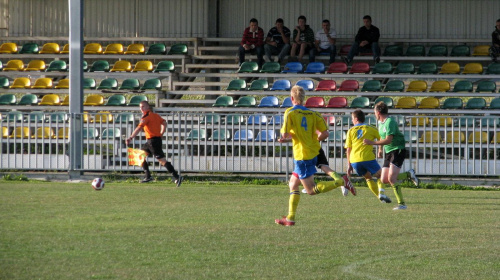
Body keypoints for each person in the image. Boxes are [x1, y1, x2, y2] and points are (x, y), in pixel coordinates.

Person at [275, 86, 353, 226]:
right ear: (303, 99)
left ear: (292, 98)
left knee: (310, 190)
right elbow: (325, 134)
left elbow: (285, 134)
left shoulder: (290, 113)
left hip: (302, 156)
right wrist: (311, 140)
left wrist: (285, 138)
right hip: (313, 151)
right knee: (293, 183)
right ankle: (290, 218)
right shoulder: (314, 114)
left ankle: (339, 182)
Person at [363, 102, 419, 210]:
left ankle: (402, 204)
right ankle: (409, 174)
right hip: (389, 152)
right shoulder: (381, 123)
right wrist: (379, 149)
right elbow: (381, 137)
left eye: (374, 112)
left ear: (378, 112)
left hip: (397, 150)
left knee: (392, 179)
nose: (374, 114)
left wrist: (372, 143)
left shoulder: (390, 122)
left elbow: (388, 140)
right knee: (384, 179)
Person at [125, 101, 183, 186]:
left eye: (143, 107)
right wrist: (161, 133)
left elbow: (138, 128)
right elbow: (164, 123)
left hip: (153, 141)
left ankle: (177, 176)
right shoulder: (156, 116)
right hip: (152, 141)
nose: (141, 108)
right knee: (139, 156)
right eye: (140, 107)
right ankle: (148, 176)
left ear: (148, 107)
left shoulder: (146, 117)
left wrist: (130, 137)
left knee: (162, 160)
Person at [345, 110, 391, 203]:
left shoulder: (350, 130)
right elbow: (382, 138)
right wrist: (380, 149)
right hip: (367, 158)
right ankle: (381, 193)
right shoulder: (370, 128)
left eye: (352, 119)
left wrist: (349, 165)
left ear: (356, 119)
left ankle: (380, 198)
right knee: (381, 175)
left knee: (368, 178)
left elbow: (348, 149)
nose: (352, 121)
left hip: (354, 161)